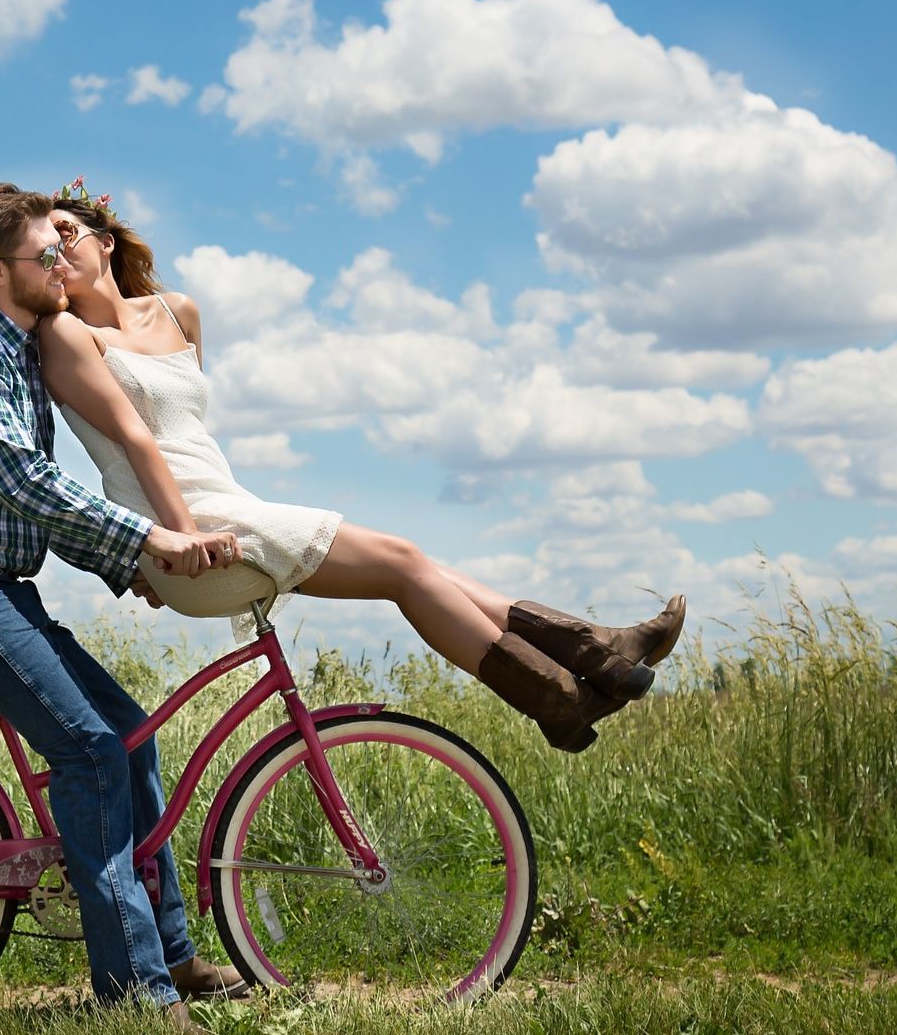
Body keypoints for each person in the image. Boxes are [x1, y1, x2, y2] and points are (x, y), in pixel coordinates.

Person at [37, 178, 687, 753]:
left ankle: (592, 660)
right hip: (190, 533)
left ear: (106, 240)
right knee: (404, 564)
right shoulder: (68, 336)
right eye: (42, 248)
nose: (56, 251)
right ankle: (565, 689)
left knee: (415, 566)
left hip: (224, 509)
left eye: (66, 233)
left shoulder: (178, 313)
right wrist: (164, 542)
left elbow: (189, 437)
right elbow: (135, 444)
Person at [0, 183, 245, 1028]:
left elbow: (32, 504)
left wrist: (129, 565)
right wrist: (152, 541)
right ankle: (136, 994)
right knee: (91, 754)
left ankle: (173, 956)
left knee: (131, 735)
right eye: (48, 254)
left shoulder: (19, 354)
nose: (62, 267)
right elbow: (24, 481)